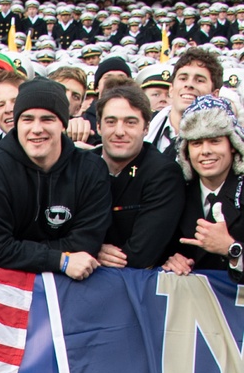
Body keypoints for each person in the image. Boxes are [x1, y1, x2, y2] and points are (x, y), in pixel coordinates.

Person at [0, 77, 111, 277]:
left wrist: (21, 250)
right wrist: (59, 260)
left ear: (63, 124)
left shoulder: (90, 169)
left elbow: (86, 241)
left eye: (47, 119)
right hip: (4, 285)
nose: (36, 129)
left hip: (69, 286)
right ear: (17, 123)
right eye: (27, 119)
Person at [95, 82, 185, 270]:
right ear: (98, 126)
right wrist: (93, 249)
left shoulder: (163, 173)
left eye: (130, 122)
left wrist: (86, 250)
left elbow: (140, 255)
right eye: (111, 121)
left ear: (146, 128)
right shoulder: (80, 165)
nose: (120, 131)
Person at [162, 95, 244, 284]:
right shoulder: (175, 191)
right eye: (196, 143)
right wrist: (171, 260)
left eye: (214, 141)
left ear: (233, 145)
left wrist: (231, 249)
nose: (205, 151)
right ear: (186, 152)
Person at [147, 48, 222, 156]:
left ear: (214, 95)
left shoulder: (224, 138)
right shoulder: (144, 125)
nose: (189, 85)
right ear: (171, 89)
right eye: (183, 78)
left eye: (199, 80)